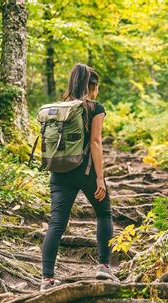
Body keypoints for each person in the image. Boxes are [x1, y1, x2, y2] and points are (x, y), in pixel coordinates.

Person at [40, 64, 119, 291]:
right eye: (97, 87)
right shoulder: (95, 108)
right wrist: (100, 178)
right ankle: (104, 266)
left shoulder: (60, 107)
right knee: (104, 213)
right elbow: (95, 142)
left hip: (59, 173)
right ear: (91, 86)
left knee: (56, 223)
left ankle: (47, 279)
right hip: (86, 172)